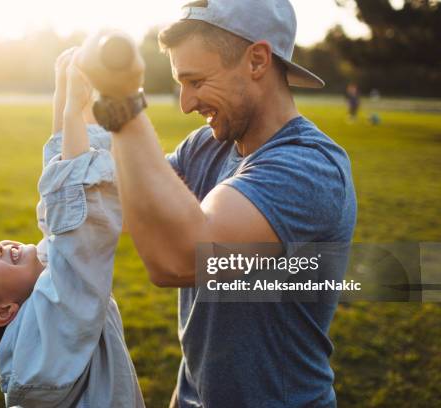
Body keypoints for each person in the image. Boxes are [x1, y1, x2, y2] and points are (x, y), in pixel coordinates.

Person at [76, 0, 357, 407]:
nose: (186, 103)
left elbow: (178, 258)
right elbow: (113, 205)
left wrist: (124, 107)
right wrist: (79, 95)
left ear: (257, 61)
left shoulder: (311, 168)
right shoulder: (205, 148)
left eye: (196, 81)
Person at [0, 49, 144, 408]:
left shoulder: (41, 304)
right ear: (2, 313)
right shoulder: (46, 338)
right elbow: (77, 225)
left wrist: (63, 94)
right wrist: (73, 107)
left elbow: (63, 215)